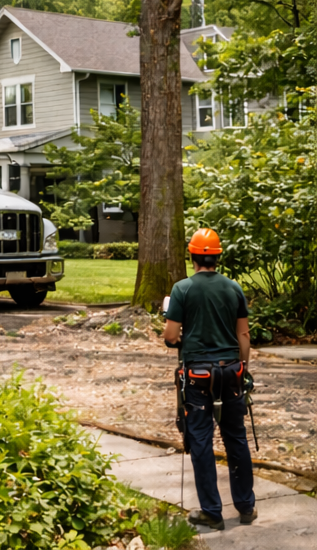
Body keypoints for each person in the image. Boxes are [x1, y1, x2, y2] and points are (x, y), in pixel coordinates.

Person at [163, 228, 256, 532]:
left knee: (200, 438)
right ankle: (246, 506)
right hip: (230, 372)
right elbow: (243, 335)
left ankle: (212, 512)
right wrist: (243, 369)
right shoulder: (233, 288)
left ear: (192, 256)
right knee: (235, 436)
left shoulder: (182, 289)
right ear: (217, 256)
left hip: (198, 375)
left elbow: (171, 335)